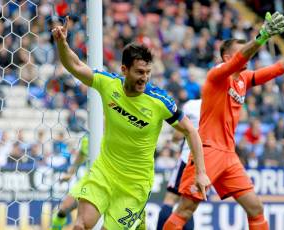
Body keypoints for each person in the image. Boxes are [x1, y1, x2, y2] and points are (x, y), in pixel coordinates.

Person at [163, 12, 284, 230]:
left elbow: (277, 69)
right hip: (208, 150)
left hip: (229, 155)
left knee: (256, 209)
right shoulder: (216, 76)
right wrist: (262, 36)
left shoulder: (244, 79)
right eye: (240, 52)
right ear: (226, 58)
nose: (246, 56)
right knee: (185, 208)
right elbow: (243, 57)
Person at [51, 16, 210, 230]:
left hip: (135, 184)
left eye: (148, 72)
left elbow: (191, 132)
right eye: (139, 72)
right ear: (124, 70)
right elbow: (75, 66)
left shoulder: (159, 101)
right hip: (104, 172)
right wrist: (62, 43)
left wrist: (200, 172)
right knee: (80, 225)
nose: (144, 78)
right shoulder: (109, 84)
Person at [156, 99, 201, 230]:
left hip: (189, 158)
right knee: (188, 206)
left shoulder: (192, 105)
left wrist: (174, 141)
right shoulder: (219, 106)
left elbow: (178, 135)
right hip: (208, 161)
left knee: (170, 200)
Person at [51, 135, 89, 229]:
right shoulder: (87, 139)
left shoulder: (113, 137)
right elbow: (81, 156)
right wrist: (70, 174)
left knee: (85, 219)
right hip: (88, 179)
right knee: (64, 207)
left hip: (106, 180)